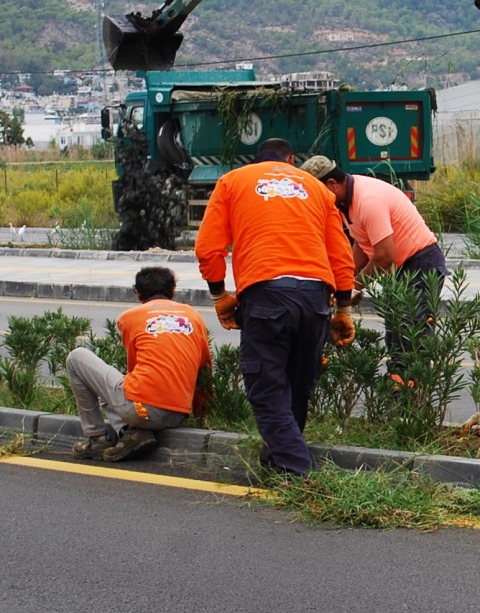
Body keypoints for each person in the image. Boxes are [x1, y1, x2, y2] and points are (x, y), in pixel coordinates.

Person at [195, 138, 357, 477]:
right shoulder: (317, 189)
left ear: (258, 158)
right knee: (297, 384)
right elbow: (341, 254)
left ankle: (299, 472)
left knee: (267, 387)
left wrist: (219, 296)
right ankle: (277, 458)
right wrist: (343, 309)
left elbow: (209, 248)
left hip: (266, 292)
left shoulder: (233, 181)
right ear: (291, 160)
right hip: (315, 297)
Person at [299, 156, 447, 382]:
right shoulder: (343, 202)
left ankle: (415, 401)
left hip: (420, 264)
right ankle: (399, 397)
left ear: (331, 184)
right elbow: (362, 243)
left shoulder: (368, 200)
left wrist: (350, 289)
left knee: (412, 338)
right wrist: (341, 280)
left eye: (316, 193)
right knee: (395, 335)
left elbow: (385, 256)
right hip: (400, 269)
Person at [66, 266, 212, 462]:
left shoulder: (129, 317)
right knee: (111, 389)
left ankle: (97, 438)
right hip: (178, 414)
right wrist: (203, 418)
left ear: (137, 292)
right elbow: (205, 370)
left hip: (142, 411)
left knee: (77, 357)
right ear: (173, 289)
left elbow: (134, 371)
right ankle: (132, 434)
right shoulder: (194, 316)